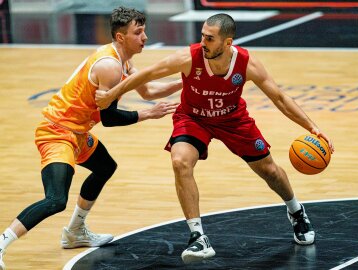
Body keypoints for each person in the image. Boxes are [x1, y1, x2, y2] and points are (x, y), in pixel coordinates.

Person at [95, 13, 335, 264]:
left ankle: (296, 212)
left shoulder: (247, 63)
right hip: (193, 118)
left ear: (228, 42)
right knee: (180, 162)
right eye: (202, 36)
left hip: (233, 120)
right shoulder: (189, 57)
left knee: (270, 171)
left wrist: (312, 127)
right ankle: (198, 236)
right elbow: (147, 75)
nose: (203, 42)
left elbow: (280, 98)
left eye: (209, 39)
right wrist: (112, 93)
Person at [0, 6, 181, 269]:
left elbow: (148, 89)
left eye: (144, 31)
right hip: (57, 132)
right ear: (121, 37)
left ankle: (75, 231)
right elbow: (109, 118)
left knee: (105, 167)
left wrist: (185, 82)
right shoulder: (109, 65)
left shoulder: (124, 60)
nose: (145, 37)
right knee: (55, 200)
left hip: (78, 132)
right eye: (138, 32)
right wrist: (148, 115)